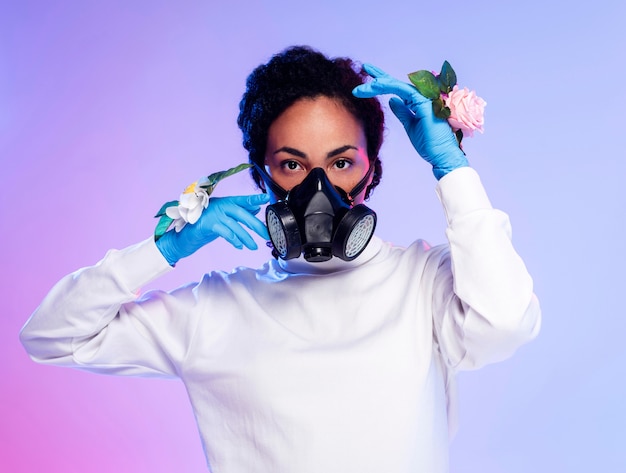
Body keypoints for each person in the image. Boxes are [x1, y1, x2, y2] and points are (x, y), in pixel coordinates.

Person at [20, 46, 541, 472]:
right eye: (293, 164)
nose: (320, 187)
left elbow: (505, 324)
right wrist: (166, 247)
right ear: (262, 175)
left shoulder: (423, 283)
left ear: (371, 169)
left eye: (341, 162)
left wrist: (450, 168)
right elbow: (50, 337)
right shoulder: (214, 309)